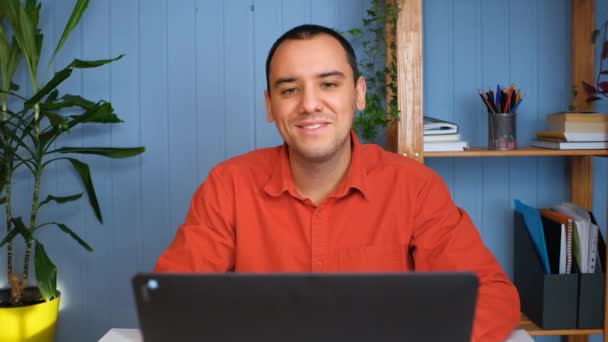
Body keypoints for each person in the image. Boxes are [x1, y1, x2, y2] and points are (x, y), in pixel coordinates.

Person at [155, 24, 520, 341]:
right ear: (269, 106)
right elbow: (170, 297)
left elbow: (492, 295)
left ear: (358, 94)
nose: (310, 104)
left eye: (328, 84)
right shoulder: (228, 184)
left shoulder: (414, 187)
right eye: (289, 90)